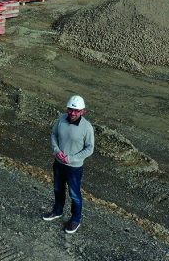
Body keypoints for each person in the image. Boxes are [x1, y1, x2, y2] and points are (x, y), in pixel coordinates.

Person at [43, 95, 94, 234]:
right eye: (70, 110)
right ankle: (57, 211)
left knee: (75, 195)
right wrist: (57, 150)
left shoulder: (87, 127)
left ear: (82, 111)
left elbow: (90, 148)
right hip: (59, 163)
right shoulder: (61, 119)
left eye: (76, 111)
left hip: (74, 168)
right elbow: (54, 134)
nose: (72, 113)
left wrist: (71, 158)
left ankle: (75, 220)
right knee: (58, 189)